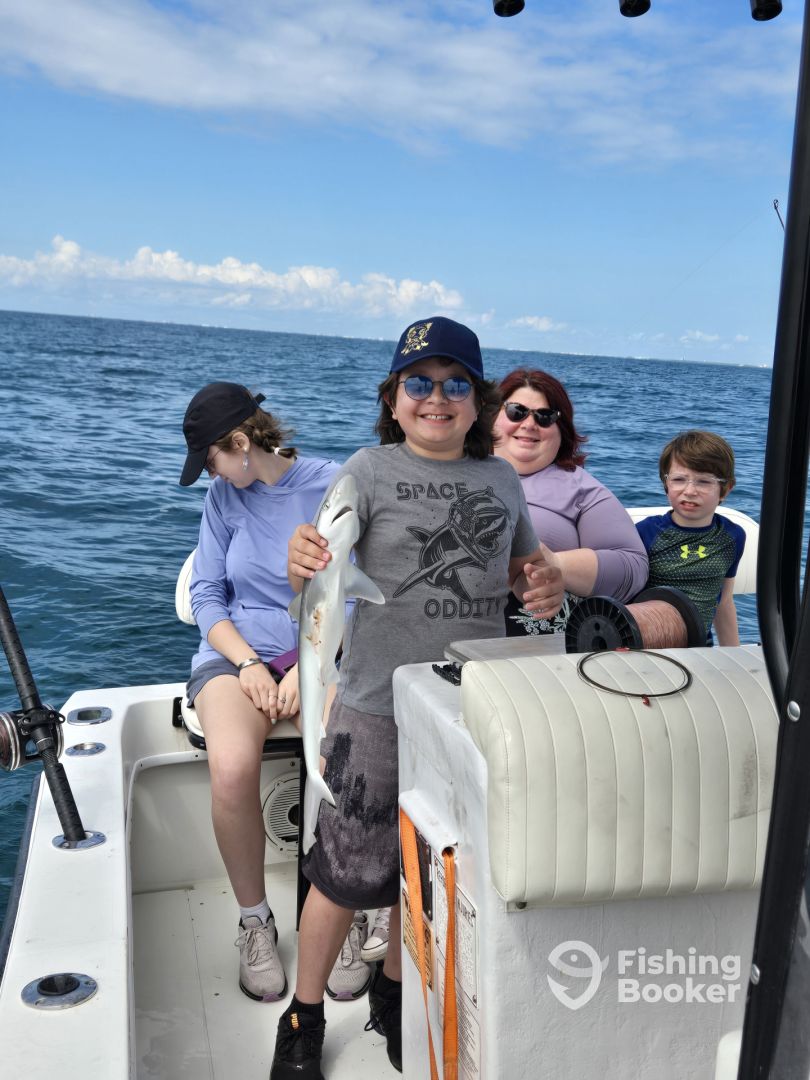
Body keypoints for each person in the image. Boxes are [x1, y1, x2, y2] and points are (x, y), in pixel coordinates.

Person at [270, 316, 565, 1079]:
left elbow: (525, 568)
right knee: (342, 874)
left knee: (428, 868)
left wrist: (545, 583)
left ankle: (395, 993)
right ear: (393, 398)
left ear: (478, 400)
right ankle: (303, 1014)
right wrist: (302, 563)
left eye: (456, 382)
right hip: (374, 705)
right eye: (420, 383)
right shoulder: (367, 471)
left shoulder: (501, 479)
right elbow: (316, 579)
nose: (438, 396)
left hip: (467, 705)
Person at [180, 381, 367, 1005]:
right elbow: (207, 594)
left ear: (240, 443)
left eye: (210, 459)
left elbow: (357, 597)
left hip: (325, 654)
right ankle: (255, 921)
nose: (210, 474)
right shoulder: (222, 498)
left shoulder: (335, 485)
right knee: (232, 768)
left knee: (345, 762)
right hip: (236, 657)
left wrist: (310, 668)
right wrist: (249, 664)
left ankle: (341, 912)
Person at [493, 368, 648, 635]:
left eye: (545, 417)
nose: (529, 424)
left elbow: (633, 567)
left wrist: (554, 563)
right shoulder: (454, 469)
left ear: (561, 429)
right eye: (516, 412)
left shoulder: (581, 489)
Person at [635, 430, 745, 646]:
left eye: (703, 482)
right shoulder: (644, 533)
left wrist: (734, 654)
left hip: (700, 648)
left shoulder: (732, 536)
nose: (690, 491)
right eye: (678, 479)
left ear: (725, 489)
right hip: (645, 647)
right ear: (666, 484)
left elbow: (724, 602)